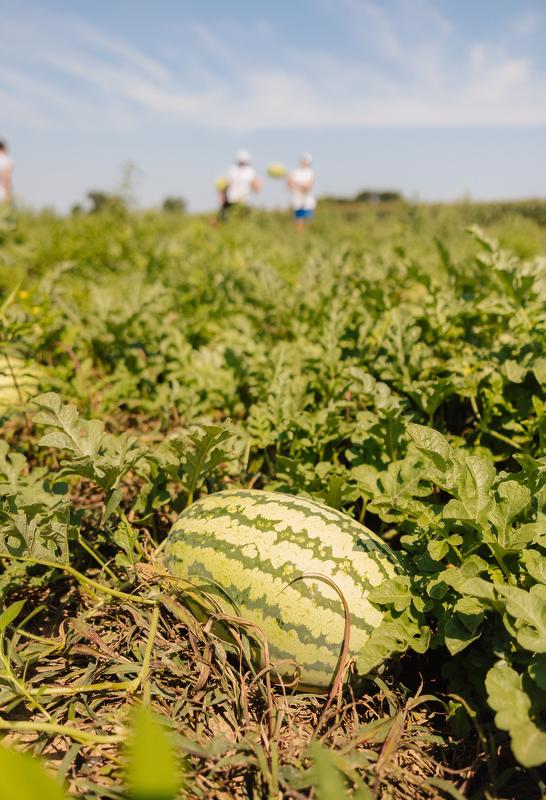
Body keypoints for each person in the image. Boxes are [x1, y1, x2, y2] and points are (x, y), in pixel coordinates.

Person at [220, 149, 261, 220]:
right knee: (241, 219)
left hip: (232, 200)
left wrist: (222, 195)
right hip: (241, 200)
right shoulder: (250, 171)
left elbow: (226, 185)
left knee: (228, 219)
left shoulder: (232, 169)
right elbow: (256, 187)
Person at [288, 152, 316, 232]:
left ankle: (310, 236)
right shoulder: (295, 172)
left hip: (307, 201)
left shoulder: (310, 172)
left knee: (309, 220)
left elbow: (307, 187)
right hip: (298, 199)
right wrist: (292, 183)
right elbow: (290, 184)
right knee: (298, 220)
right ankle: (299, 237)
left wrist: (296, 184)